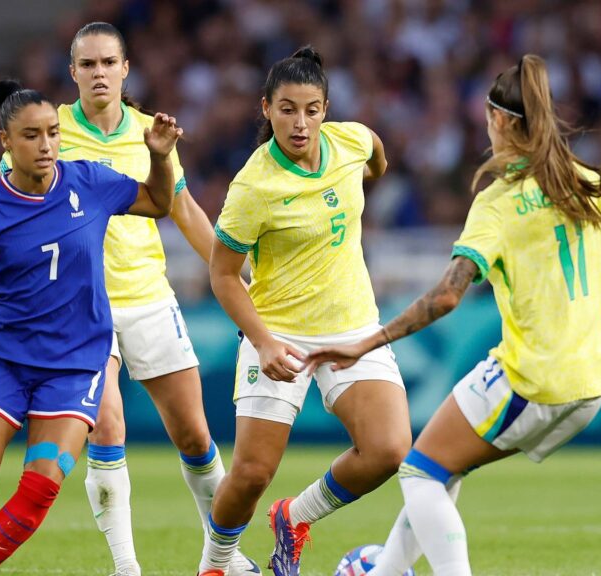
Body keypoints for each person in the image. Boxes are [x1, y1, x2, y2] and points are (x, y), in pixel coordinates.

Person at [304, 54, 601, 575]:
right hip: (590, 384)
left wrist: (366, 342)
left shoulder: (499, 201)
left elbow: (447, 296)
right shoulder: (582, 182)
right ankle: (385, 570)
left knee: (418, 474)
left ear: (499, 120)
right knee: (442, 463)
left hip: (532, 378)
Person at [0, 22, 259, 576]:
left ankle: (225, 556)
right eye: (88, 64)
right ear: (73, 73)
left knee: (196, 436)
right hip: (80, 312)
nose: (99, 73)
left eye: (109, 62)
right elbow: (2, 202)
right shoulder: (48, 126)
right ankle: (125, 566)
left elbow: (179, 207)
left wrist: (235, 274)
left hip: (149, 296)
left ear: (126, 69)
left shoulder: (147, 131)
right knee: (107, 426)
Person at [0, 78, 180, 576]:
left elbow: (158, 204)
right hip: (6, 360)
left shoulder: (90, 182)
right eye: (32, 135)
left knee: (39, 492)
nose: (47, 144)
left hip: (77, 365)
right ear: (5, 143)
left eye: (53, 132)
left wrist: (160, 158)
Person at [198, 46, 411, 576]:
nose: (300, 123)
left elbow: (376, 154)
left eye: (311, 109)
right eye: (287, 109)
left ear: (326, 109)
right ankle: (216, 565)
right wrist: (264, 341)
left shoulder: (351, 141)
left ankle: (294, 517)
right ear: (266, 108)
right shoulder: (253, 186)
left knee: (387, 450)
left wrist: (366, 179)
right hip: (280, 333)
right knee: (249, 474)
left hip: (354, 325)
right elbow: (222, 275)